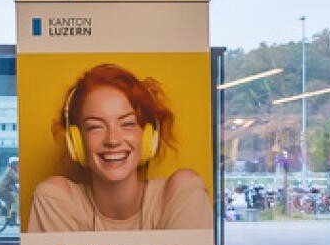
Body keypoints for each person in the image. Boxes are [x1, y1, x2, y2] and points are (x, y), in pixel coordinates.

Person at [27, 63, 213, 232]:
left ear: (149, 136)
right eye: (95, 126)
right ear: (77, 142)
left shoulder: (182, 192)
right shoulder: (55, 199)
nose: (113, 140)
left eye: (128, 124)